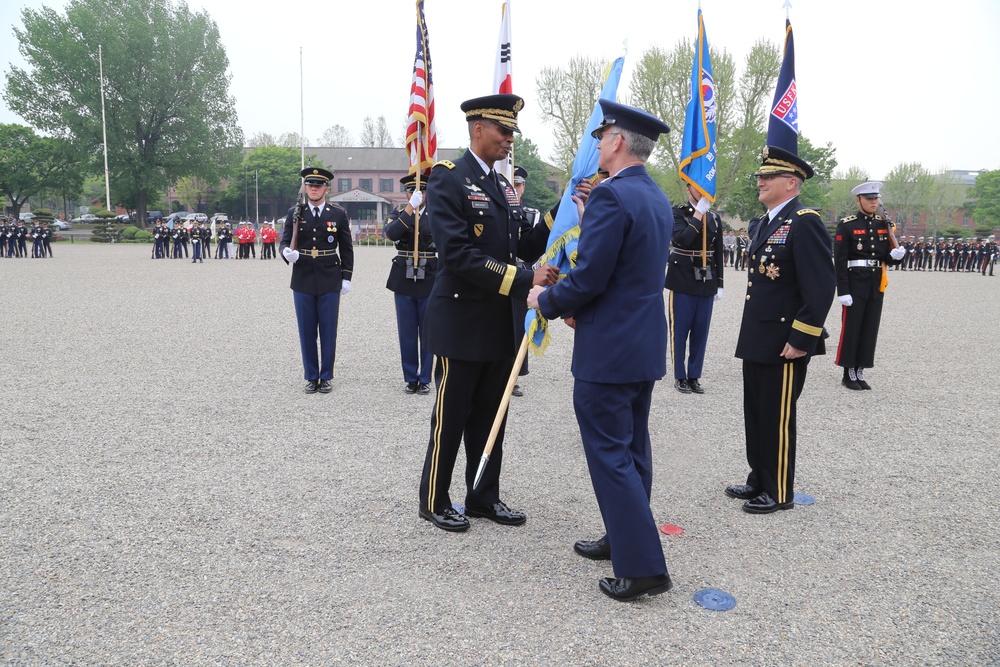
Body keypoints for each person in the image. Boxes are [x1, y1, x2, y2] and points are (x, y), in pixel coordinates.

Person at [528, 100, 674, 602]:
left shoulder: (613, 197)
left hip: (610, 347)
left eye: (601, 134)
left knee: (611, 453)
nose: (595, 143)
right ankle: (625, 537)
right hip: (641, 342)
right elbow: (628, 272)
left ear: (618, 141)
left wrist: (544, 299)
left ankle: (643, 567)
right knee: (632, 448)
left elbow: (590, 276)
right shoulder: (653, 196)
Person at [418, 93, 556, 533]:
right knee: (453, 415)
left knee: (491, 416)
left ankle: (482, 497)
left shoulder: (500, 184)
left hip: (500, 322)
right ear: (478, 128)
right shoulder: (448, 180)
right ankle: (434, 498)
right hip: (461, 322)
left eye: (512, 132)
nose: (509, 140)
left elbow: (520, 247)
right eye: (503, 130)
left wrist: (563, 211)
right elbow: (457, 255)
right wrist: (524, 279)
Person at [725, 146, 835, 514]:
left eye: (768, 177)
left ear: (791, 183)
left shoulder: (805, 221)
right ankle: (759, 477)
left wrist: (802, 338)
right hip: (759, 334)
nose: (760, 181)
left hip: (786, 339)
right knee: (756, 411)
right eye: (760, 176)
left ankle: (780, 490)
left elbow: (820, 288)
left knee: (778, 415)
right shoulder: (765, 221)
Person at [279, 167, 354, 394]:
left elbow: (347, 249)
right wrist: (286, 253)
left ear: (326, 189)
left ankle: (326, 375)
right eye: (310, 185)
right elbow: (283, 242)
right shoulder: (295, 212)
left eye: (318, 185)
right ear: (306, 188)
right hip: (302, 277)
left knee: (329, 330)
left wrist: (346, 277)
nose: (313, 188)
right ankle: (311, 376)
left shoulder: (338, 214)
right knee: (306, 329)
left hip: (330, 276)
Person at [834, 181, 905, 390]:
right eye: (869, 199)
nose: (874, 203)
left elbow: (884, 257)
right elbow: (839, 260)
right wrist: (843, 290)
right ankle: (848, 372)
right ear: (859, 201)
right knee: (852, 328)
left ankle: (860, 369)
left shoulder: (882, 224)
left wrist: (896, 257)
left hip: (875, 283)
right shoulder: (847, 225)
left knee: (869, 328)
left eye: (876, 199)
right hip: (855, 282)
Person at [665, 182, 724, 394]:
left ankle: (694, 375)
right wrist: (698, 216)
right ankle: (680, 376)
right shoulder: (678, 212)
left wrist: (720, 284)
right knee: (679, 331)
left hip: (706, 280)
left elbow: (717, 252)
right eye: (697, 187)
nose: (702, 191)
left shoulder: (714, 217)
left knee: (701, 331)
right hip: (682, 278)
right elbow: (682, 240)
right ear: (688, 189)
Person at [384, 172, 436, 395]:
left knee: (427, 330)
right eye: (413, 191)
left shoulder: (436, 214)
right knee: (406, 332)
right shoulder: (398, 214)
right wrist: (410, 210)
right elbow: (391, 234)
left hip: (430, 276)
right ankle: (410, 377)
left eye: (422, 190)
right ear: (406, 193)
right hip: (404, 276)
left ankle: (424, 377)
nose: (418, 194)